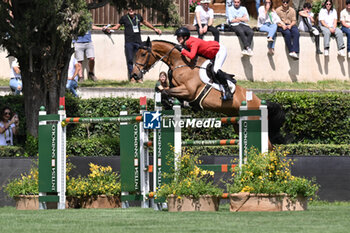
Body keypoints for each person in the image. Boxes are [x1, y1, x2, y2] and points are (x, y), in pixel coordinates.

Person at [174, 27, 233, 100]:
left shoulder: (193, 42)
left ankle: (228, 92)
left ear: (185, 37)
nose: (177, 38)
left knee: (216, 69)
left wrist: (182, 50)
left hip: (219, 51)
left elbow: (192, 56)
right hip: (211, 53)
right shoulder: (187, 42)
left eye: (178, 37)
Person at [109, 5, 162, 83]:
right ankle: (132, 78)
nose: (131, 10)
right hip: (129, 42)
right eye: (129, 9)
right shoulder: (124, 18)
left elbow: (145, 23)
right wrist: (109, 29)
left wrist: (155, 29)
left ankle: (139, 77)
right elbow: (117, 27)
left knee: (140, 60)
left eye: (132, 9)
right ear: (127, 10)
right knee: (130, 60)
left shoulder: (138, 17)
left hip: (138, 42)